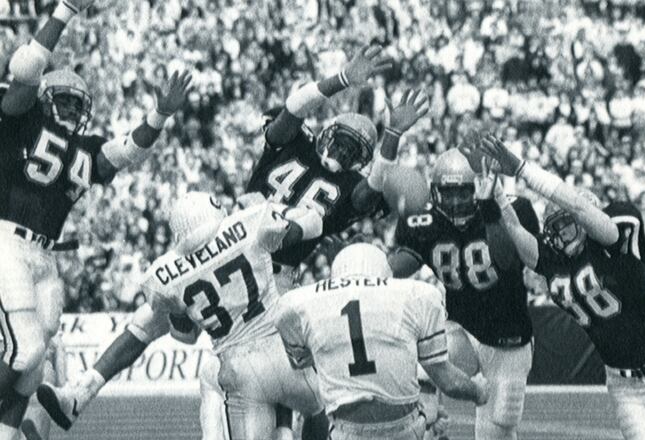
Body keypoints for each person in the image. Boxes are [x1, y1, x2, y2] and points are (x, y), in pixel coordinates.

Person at [37, 43, 427, 437]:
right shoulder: (295, 143)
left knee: (263, 370)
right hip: (233, 241)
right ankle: (79, 394)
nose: (341, 151)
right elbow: (292, 110)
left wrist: (392, 134)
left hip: (273, 274)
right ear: (326, 133)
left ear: (361, 158)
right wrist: (341, 79)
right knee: (156, 318)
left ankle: (83, 395)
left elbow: (373, 187)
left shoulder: (352, 188)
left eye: (351, 149)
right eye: (339, 140)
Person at [0, 0, 191, 436]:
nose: (70, 111)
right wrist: (66, 10)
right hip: (5, 241)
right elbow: (27, 68)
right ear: (45, 100)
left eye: (76, 104)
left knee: (35, 369)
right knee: (25, 351)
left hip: (44, 256)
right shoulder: (18, 120)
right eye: (63, 102)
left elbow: (127, 151)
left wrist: (159, 115)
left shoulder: (84, 151)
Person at [476, 136, 645, 440]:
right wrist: (497, 198)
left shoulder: (615, 231)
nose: (558, 237)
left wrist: (523, 170)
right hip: (626, 388)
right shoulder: (556, 261)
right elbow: (517, 234)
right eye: (553, 231)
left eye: (563, 226)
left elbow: (577, 206)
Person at [143, 191, 326, 439]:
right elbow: (314, 226)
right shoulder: (248, 223)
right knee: (317, 409)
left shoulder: (161, 276)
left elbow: (185, 336)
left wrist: (181, 310)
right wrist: (297, 216)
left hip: (239, 368)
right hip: (281, 349)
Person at [387, 144, 540, 440]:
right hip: (461, 327)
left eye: (463, 192)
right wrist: (372, 261)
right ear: (434, 191)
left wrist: (489, 208)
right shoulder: (425, 220)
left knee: (498, 428)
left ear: (480, 186)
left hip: (507, 336)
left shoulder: (515, 208)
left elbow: (507, 260)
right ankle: (430, 428)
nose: (455, 201)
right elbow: (398, 268)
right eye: (448, 192)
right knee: (416, 367)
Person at [275, 243, 488, 440]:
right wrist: (478, 391)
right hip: (403, 428)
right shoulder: (417, 295)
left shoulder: (300, 303)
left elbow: (302, 362)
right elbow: (449, 382)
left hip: (347, 431)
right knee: (430, 417)